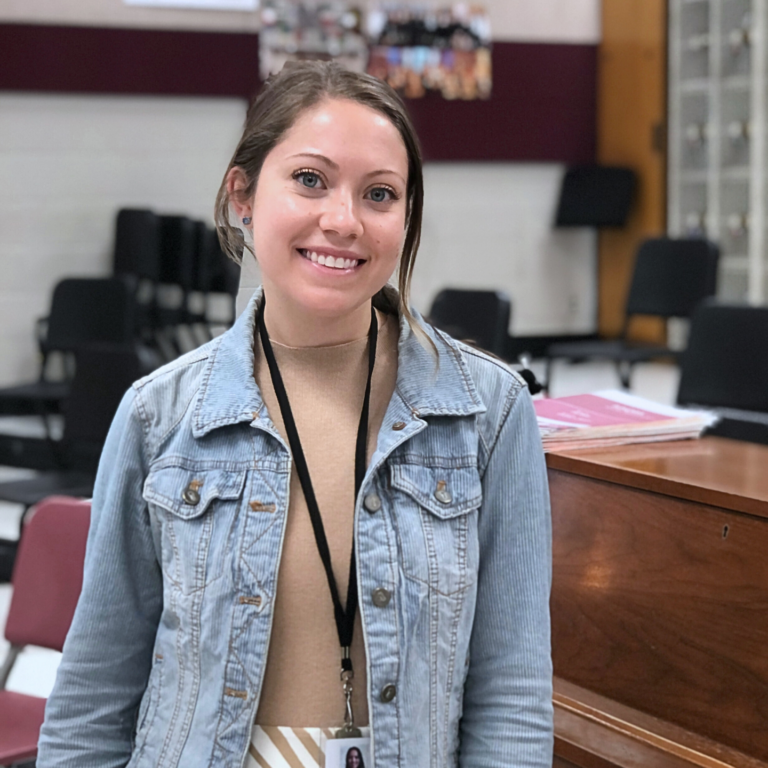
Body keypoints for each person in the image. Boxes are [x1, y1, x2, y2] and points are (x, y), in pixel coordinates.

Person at [37, 60, 552, 768]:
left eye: (379, 194)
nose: (342, 221)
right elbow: (95, 693)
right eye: (310, 180)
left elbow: (512, 694)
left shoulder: (489, 416)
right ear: (242, 195)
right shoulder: (160, 417)